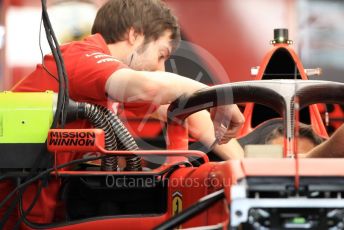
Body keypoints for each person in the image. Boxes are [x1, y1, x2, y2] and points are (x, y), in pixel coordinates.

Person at [0, 0, 245, 228]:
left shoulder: (107, 89)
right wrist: (216, 97)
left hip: (31, 214)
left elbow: (187, 113)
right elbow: (149, 86)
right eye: (161, 55)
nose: (160, 69)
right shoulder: (79, 57)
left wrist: (244, 170)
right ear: (135, 34)